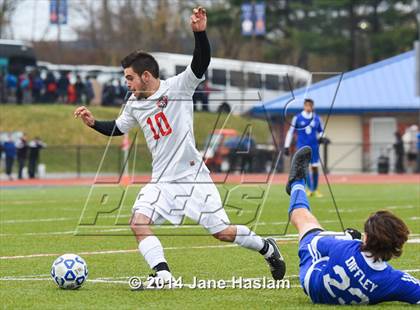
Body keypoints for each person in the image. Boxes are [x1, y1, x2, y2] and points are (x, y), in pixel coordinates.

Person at [74, 6, 285, 289]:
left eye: (129, 78)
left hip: (193, 176)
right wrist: (92, 123)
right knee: (138, 222)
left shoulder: (178, 88)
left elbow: (201, 63)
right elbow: (118, 128)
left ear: (146, 76)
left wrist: (200, 34)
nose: (126, 83)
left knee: (221, 232)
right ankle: (163, 275)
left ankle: (267, 248)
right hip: (162, 181)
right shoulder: (134, 103)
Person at [283, 146, 420, 305]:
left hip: (313, 281)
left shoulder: (345, 247)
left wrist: (346, 236)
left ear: (367, 237)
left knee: (305, 221)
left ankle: (297, 183)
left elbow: (314, 243)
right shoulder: (393, 280)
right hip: (341, 291)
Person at [284, 98, 324, 197]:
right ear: (304, 106)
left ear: (312, 106)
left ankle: (315, 189)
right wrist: (286, 145)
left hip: (314, 147)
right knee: (304, 167)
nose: (308, 107)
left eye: (310, 105)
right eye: (306, 105)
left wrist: (322, 138)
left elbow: (321, 131)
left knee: (315, 167)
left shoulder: (317, 118)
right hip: (302, 146)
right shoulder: (297, 118)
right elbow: (290, 132)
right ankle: (309, 189)